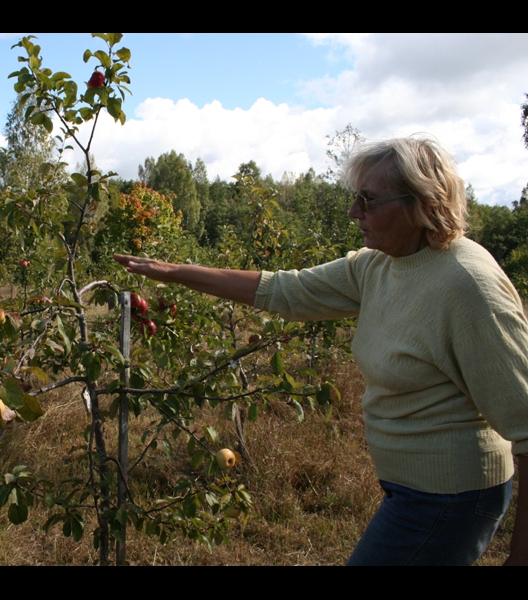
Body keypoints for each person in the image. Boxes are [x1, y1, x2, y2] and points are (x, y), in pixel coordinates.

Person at [114, 136, 528, 566]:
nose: (353, 213)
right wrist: (171, 272)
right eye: (355, 198)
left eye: (368, 201)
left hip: (451, 497)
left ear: (421, 203)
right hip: (414, 489)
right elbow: (286, 289)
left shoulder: (467, 285)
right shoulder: (380, 264)